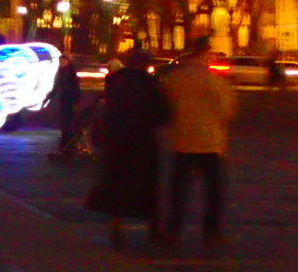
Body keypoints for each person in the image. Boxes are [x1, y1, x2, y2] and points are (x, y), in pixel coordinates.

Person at [85, 47, 169, 250]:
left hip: (117, 139)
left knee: (116, 183)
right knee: (147, 185)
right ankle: (153, 227)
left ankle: (116, 226)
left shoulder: (115, 81)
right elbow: (162, 113)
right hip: (142, 140)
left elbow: (108, 107)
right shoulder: (149, 83)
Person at [159, 36, 236, 256]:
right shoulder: (213, 80)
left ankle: (173, 230)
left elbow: (166, 107)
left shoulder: (176, 78)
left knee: (179, 190)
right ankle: (211, 231)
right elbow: (227, 110)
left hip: (182, 140)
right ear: (206, 53)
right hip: (209, 142)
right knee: (214, 190)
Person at [47, 54, 82, 161]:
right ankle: (66, 145)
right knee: (65, 123)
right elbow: (56, 85)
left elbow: (75, 89)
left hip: (69, 100)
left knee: (67, 123)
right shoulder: (62, 72)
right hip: (64, 100)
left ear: (67, 61)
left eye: (62, 61)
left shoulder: (70, 73)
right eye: (60, 61)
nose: (61, 63)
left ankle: (68, 146)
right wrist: (50, 96)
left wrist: (76, 102)